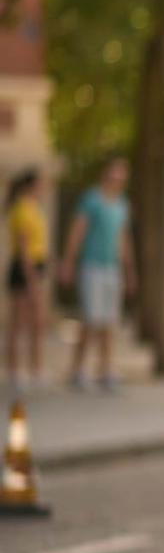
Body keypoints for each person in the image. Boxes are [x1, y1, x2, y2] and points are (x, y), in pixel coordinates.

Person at [59, 156, 136, 391]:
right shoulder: (92, 199)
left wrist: (130, 269)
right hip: (92, 265)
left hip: (111, 267)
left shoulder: (122, 204)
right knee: (90, 319)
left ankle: (105, 369)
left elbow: (123, 239)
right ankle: (77, 368)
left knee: (109, 321)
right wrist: (69, 261)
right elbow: (78, 231)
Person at [5, 167, 50, 392]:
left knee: (37, 322)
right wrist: (31, 278)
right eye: (40, 184)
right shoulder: (22, 208)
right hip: (25, 268)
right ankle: (14, 370)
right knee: (19, 322)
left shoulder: (35, 208)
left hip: (36, 266)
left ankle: (36, 369)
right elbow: (23, 247)